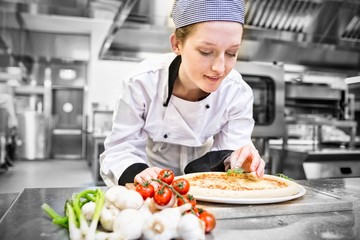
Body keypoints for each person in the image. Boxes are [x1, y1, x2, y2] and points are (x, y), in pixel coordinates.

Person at [100, 0, 266, 187]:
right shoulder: (142, 82)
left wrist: (240, 160)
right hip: (152, 185)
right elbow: (120, 149)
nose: (219, 68)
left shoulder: (237, 92)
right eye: (205, 52)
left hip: (208, 184)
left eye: (232, 53)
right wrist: (139, 174)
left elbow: (232, 150)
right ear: (177, 44)